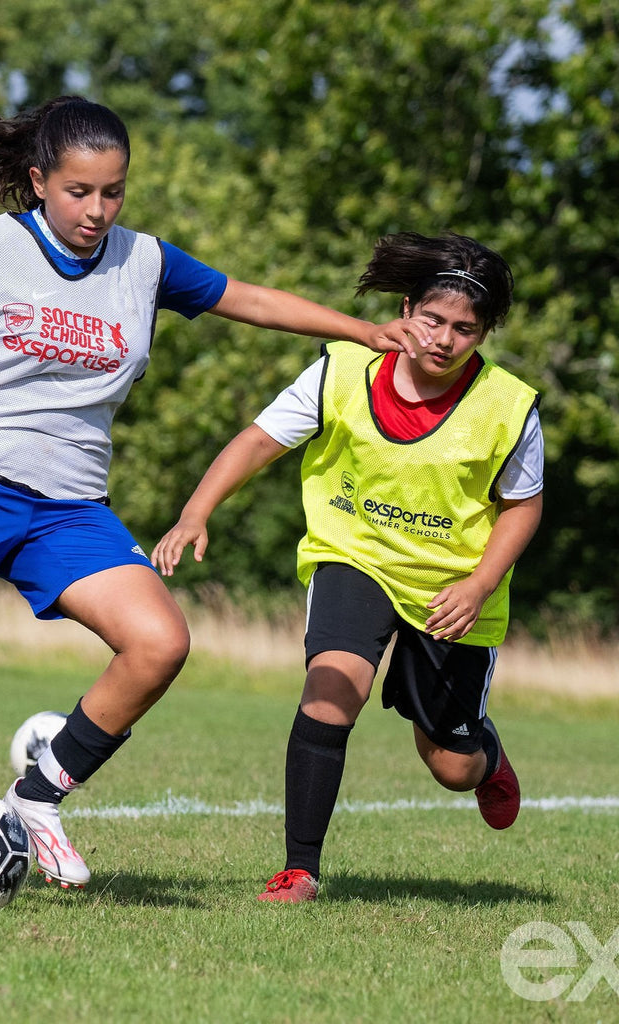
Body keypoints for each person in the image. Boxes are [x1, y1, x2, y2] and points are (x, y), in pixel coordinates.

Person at [0, 96, 427, 891]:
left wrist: (359, 331)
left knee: (160, 644)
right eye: (80, 192)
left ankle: (39, 798)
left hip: (68, 503)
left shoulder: (142, 261)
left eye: (113, 192)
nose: (98, 209)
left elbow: (246, 298)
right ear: (40, 182)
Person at [152, 231, 542, 903]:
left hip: (450, 589)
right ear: (406, 306)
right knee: (331, 689)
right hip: (351, 556)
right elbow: (256, 440)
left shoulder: (508, 407)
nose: (444, 339)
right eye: (433, 319)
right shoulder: (341, 369)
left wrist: (479, 584)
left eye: (465, 330)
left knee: (448, 764)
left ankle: (486, 760)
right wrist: (195, 512)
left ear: (484, 335)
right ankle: (299, 868)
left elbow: (523, 507)